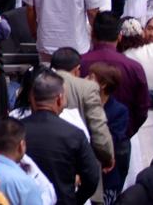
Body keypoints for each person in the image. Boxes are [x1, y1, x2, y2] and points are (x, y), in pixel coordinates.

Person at [20, 67, 101, 205]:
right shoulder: (74, 134)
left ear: (32, 98)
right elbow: (92, 177)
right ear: (59, 99)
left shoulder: (16, 131)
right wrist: (76, 199)